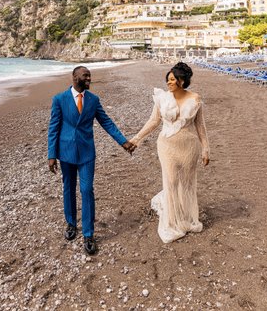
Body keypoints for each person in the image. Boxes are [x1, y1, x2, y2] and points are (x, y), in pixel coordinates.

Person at [48, 66, 134, 255]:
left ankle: (88, 234)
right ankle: (71, 224)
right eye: (85, 75)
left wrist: (123, 142)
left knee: (87, 190)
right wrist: (51, 155)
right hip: (65, 152)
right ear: (74, 76)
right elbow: (53, 128)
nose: (89, 78)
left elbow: (107, 122)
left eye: (89, 76)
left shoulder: (93, 100)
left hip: (87, 153)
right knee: (68, 188)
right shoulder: (59, 99)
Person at [130, 61, 210, 243]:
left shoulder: (195, 99)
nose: (169, 83)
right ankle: (172, 222)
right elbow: (153, 121)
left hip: (190, 146)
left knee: (188, 183)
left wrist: (206, 149)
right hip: (166, 145)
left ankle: (187, 218)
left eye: (172, 80)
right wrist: (136, 139)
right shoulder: (162, 98)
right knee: (172, 181)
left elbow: (201, 127)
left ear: (182, 81)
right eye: (168, 80)